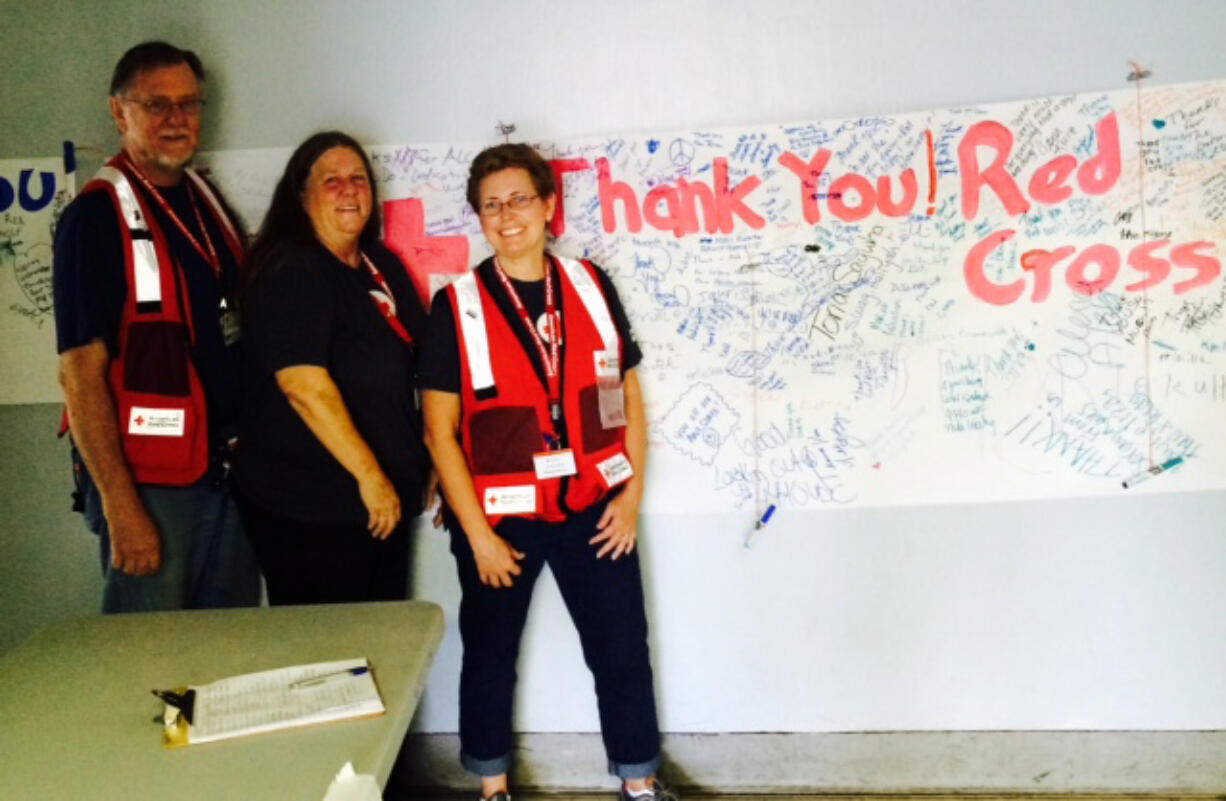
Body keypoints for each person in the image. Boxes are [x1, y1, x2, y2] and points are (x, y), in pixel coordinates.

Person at [419, 144, 675, 801]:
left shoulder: (590, 283)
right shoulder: (458, 305)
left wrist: (630, 493)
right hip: (500, 515)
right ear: (479, 216)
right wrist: (476, 534)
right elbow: (439, 433)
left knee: (621, 648)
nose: (507, 216)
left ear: (548, 205)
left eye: (520, 199)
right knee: (490, 653)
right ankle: (492, 787)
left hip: (593, 503)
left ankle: (639, 782)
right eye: (492, 205)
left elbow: (626, 395)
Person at [53, 41, 260, 613]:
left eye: (188, 104)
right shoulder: (94, 217)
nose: (177, 119)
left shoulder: (205, 200)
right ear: (120, 112)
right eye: (157, 105)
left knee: (225, 655)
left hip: (224, 473)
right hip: (153, 489)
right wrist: (122, 508)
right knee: (150, 664)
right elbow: (78, 374)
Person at [233, 131, 431, 605]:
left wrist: (430, 453)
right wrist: (371, 477)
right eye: (332, 181)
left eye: (359, 179)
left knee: (382, 648)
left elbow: (418, 362)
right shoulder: (293, 270)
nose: (349, 190)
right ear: (301, 196)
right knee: (328, 661)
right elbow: (303, 385)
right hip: (313, 509)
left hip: (383, 505)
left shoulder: (379, 263)